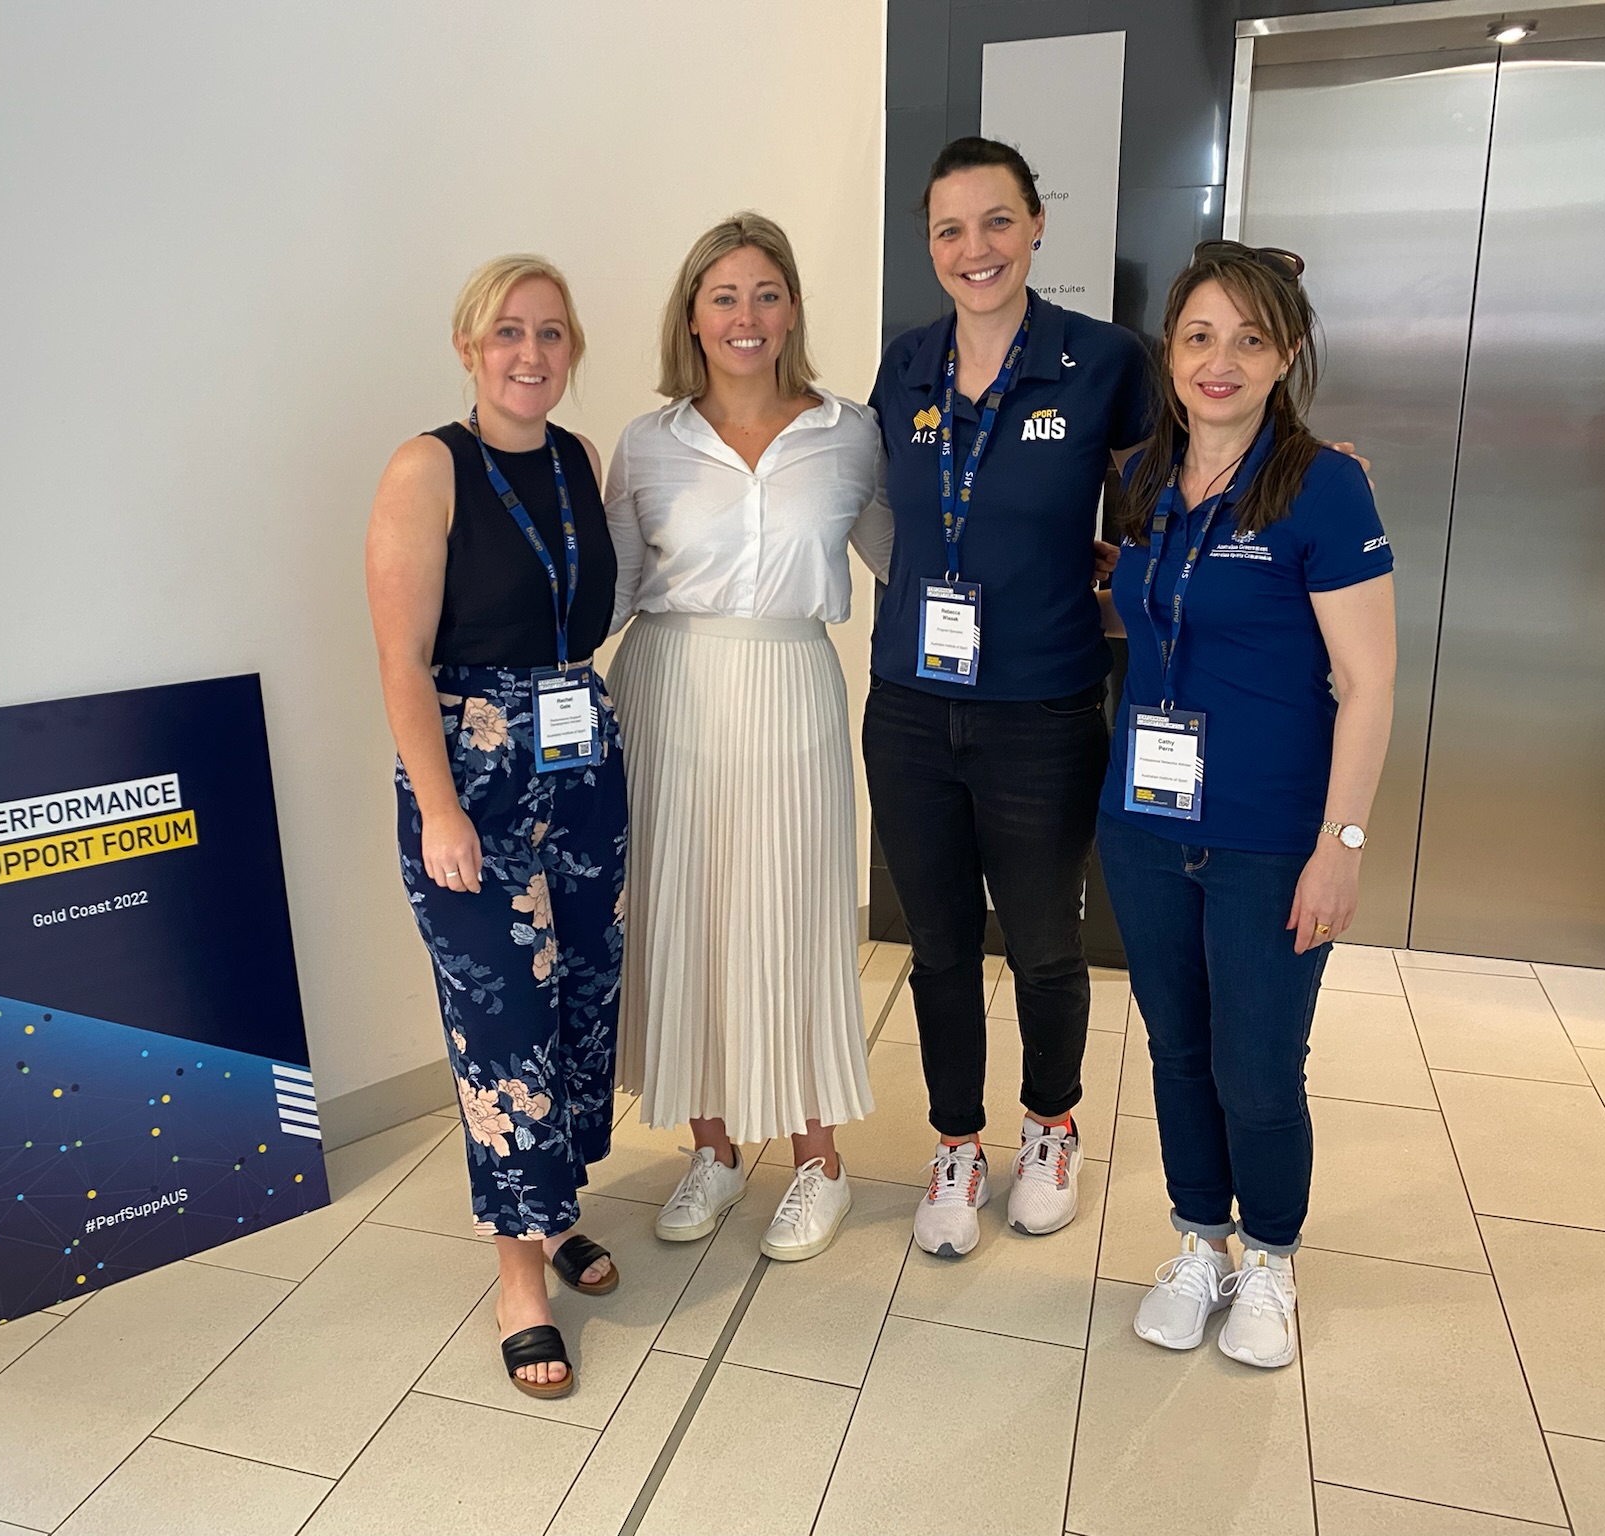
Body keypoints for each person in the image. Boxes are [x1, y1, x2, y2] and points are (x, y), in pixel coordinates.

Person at [1097, 242, 1395, 1369]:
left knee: (1256, 1064)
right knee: (1176, 1048)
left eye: (1248, 339)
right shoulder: (1140, 478)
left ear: (1286, 354)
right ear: (1169, 352)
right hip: (1143, 825)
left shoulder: (1324, 483)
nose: (1218, 361)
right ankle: (1196, 1242)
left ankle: (1267, 1260)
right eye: (1197, 337)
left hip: (1272, 834)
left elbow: (1366, 681)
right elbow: (1154, 611)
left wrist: (1341, 844)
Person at [861, 137, 1150, 1258]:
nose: (971, 248)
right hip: (910, 708)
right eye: (947, 229)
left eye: (994, 222)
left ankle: (1049, 1125)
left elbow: (1167, 490)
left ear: (1036, 227)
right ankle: (952, 1142)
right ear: (927, 245)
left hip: (1042, 708)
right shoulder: (906, 365)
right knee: (935, 947)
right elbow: (882, 507)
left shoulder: (1101, 360)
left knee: (1041, 945)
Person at [364, 255, 628, 1400]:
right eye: (508, 334)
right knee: (501, 1032)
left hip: (577, 764)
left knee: (578, 1008)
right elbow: (398, 659)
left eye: (552, 335)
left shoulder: (576, 459)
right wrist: (434, 806)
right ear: (469, 347)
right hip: (468, 778)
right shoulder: (428, 467)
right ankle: (519, 1279)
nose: (531, 355)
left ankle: (556, 1207)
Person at [606, 213, 888, 1262]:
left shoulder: (849, 433)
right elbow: (612, 592)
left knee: (793, 914)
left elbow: (912, 560)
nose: (745, 316)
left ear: (792, 309)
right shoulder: (647, 444)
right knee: (682, 914)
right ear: (692, 314)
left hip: (791, 686)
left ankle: (817, 1161)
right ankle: (712, 1149)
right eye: (723, 296)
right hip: (666, 688)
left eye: (765, 293)